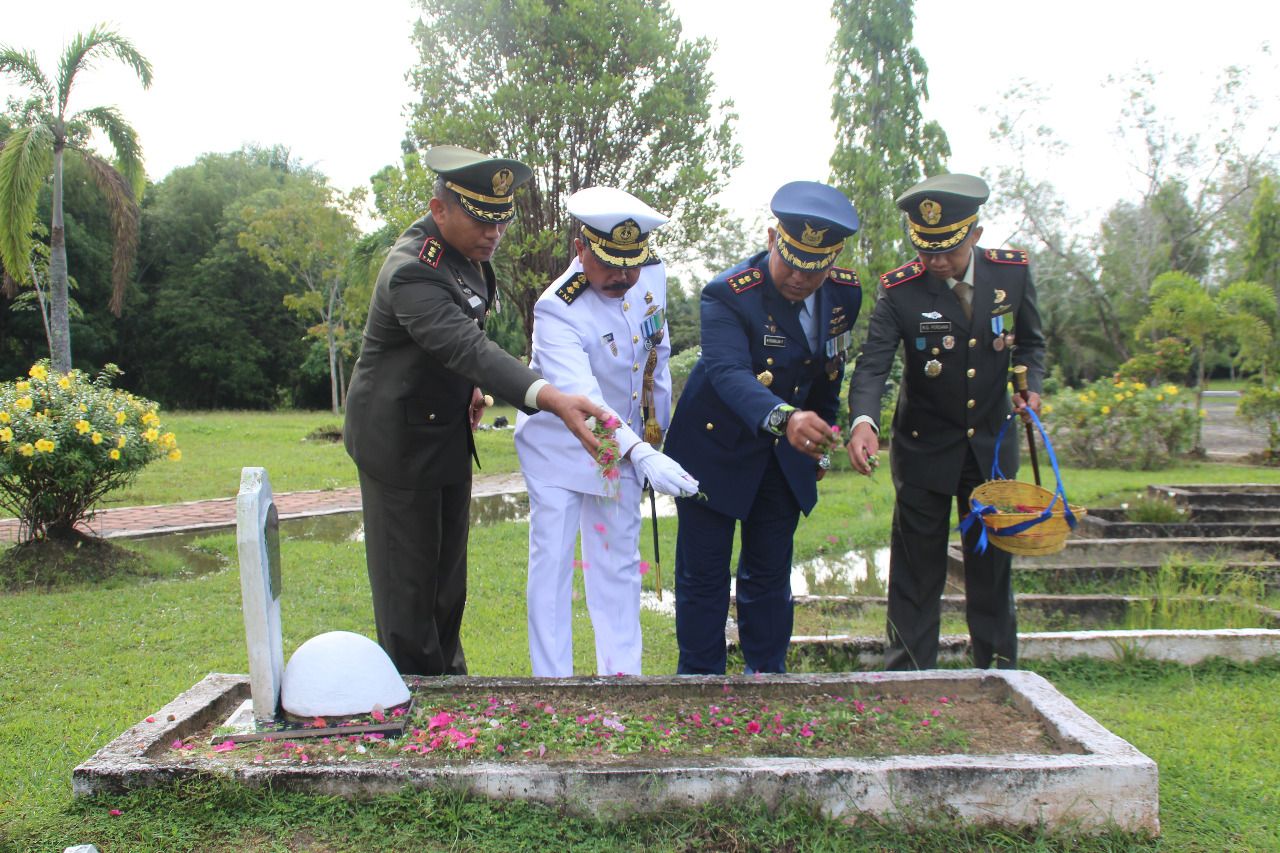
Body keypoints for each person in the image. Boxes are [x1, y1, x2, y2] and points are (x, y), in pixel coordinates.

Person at [344, 145, 605, 676]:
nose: (494, 234)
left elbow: (462, 342)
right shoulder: (413, 270)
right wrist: (550, 397)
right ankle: (415, 699)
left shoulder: (469, 258)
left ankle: (449, 685)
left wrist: (467, 389)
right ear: (440, 212)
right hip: (396, 443)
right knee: (409, 587)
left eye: (501, 221)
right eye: (481, 221)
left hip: (442, 435)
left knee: (447, 582)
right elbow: (467, 346)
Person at [845, 173, 1046, 670]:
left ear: (974, 234)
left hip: (992, 448)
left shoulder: (1012, 274)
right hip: (923, 449)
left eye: (947, 251)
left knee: (992, 566)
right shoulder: (901, 290)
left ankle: (999, 671)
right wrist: (864, 421)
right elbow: (872, 364)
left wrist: (1032, 388)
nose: (935, 262)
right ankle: (908, 676)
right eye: (926, 250)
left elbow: (1032, 343)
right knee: (916, 568)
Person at [663, 181, 863, 675]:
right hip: (714, 448)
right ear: (774, 238)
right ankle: (700, 684)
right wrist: (785, 418)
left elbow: (828, 371)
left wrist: (820, 440)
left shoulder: (844, 292)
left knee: (770, 574)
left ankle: (767, 681)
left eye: (813, 269)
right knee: (705, 576)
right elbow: (729, 373)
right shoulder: (729, 294)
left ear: (832, 258)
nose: (798, 277)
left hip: (783, 457)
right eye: (790, 262)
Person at [515, 187, 699, 677]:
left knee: (618, 563)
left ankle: (622, 682)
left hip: (626, 447)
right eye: (609, 263)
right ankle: (553, 687)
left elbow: (653, 362)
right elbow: (583, 399)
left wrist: (656, 431)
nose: (621, 277)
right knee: (553, 564)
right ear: (581, 248)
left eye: (630, 262)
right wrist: (641, 454)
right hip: (560, 451)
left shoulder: (650, 280)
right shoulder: (557, 309)